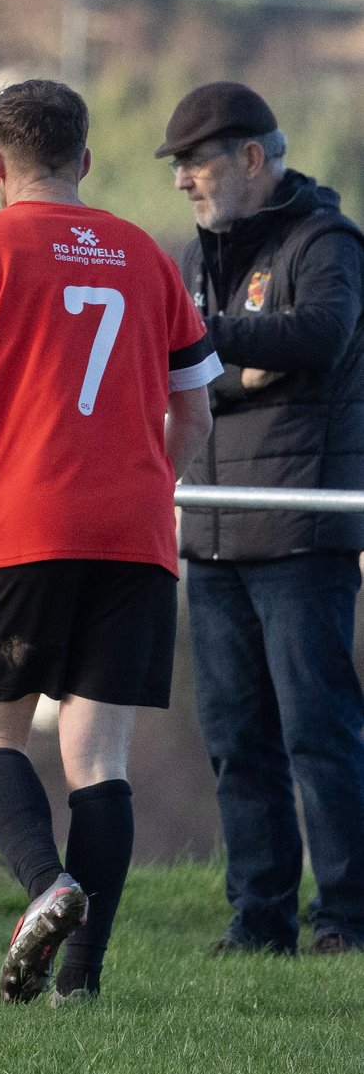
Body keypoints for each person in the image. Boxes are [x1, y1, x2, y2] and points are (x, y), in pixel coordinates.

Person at [0, 80, 219, 1006]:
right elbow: (192, 406)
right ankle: (82, 980)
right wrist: (155, 482)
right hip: (135, 533)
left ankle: (47, 887)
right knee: (98, 759)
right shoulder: (147, 256)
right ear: (85, 159)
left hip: (25, 525)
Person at [160, 81, 364, 958]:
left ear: (252, 159)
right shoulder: (204, 254)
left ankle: (348, 922)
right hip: (211, 528)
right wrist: (236, 359)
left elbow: (318, 336)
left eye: (196, 164)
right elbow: (195, 375)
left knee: (318, 734)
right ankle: (259, 922)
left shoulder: (326, 243)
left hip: (297, 532)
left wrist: (209, 344)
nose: (182, 184)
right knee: (237, 741)